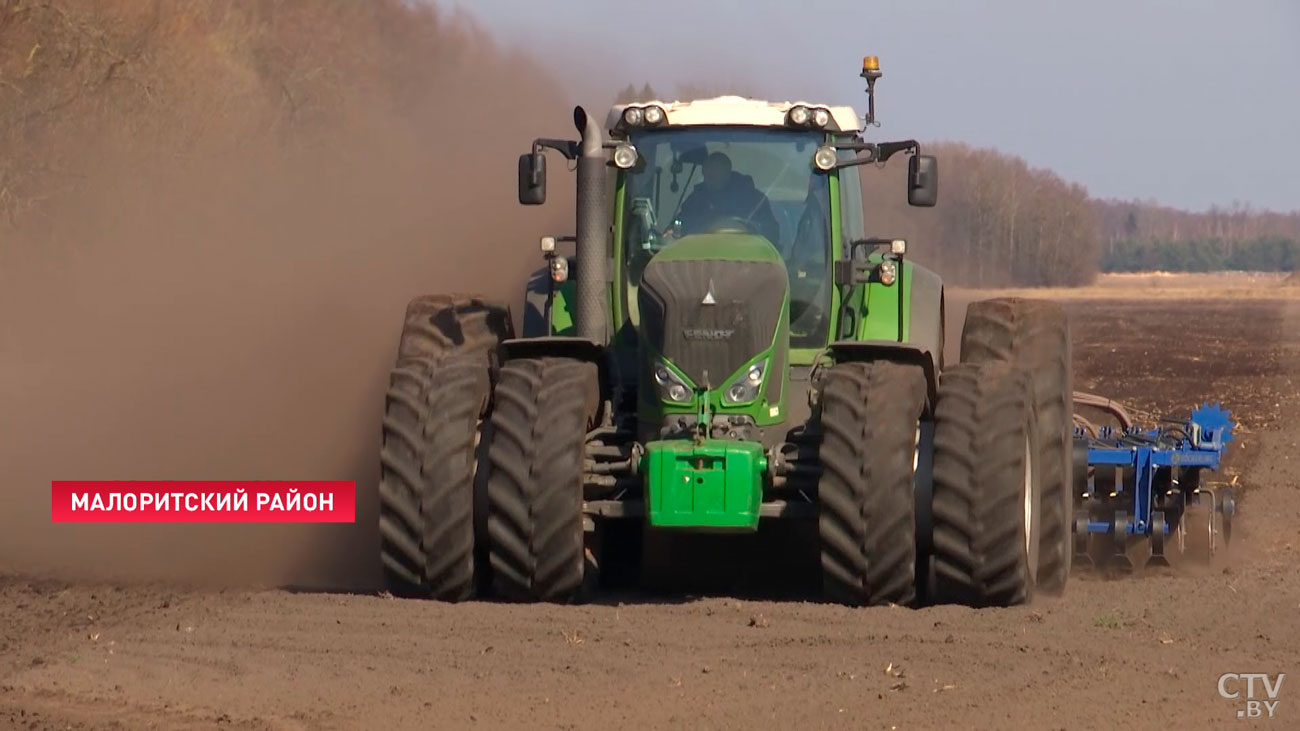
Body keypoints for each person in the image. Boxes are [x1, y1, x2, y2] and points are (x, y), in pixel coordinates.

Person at [675, 152, 781, 243]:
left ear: (728, 172)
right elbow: (681, 225)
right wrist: (673, 229)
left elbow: (771, 233)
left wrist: (749, 232)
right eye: (707, 175)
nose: (710, 178)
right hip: (704, 260)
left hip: (748, 261)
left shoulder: (754, 199)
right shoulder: (696, 199)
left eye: (715, 173)